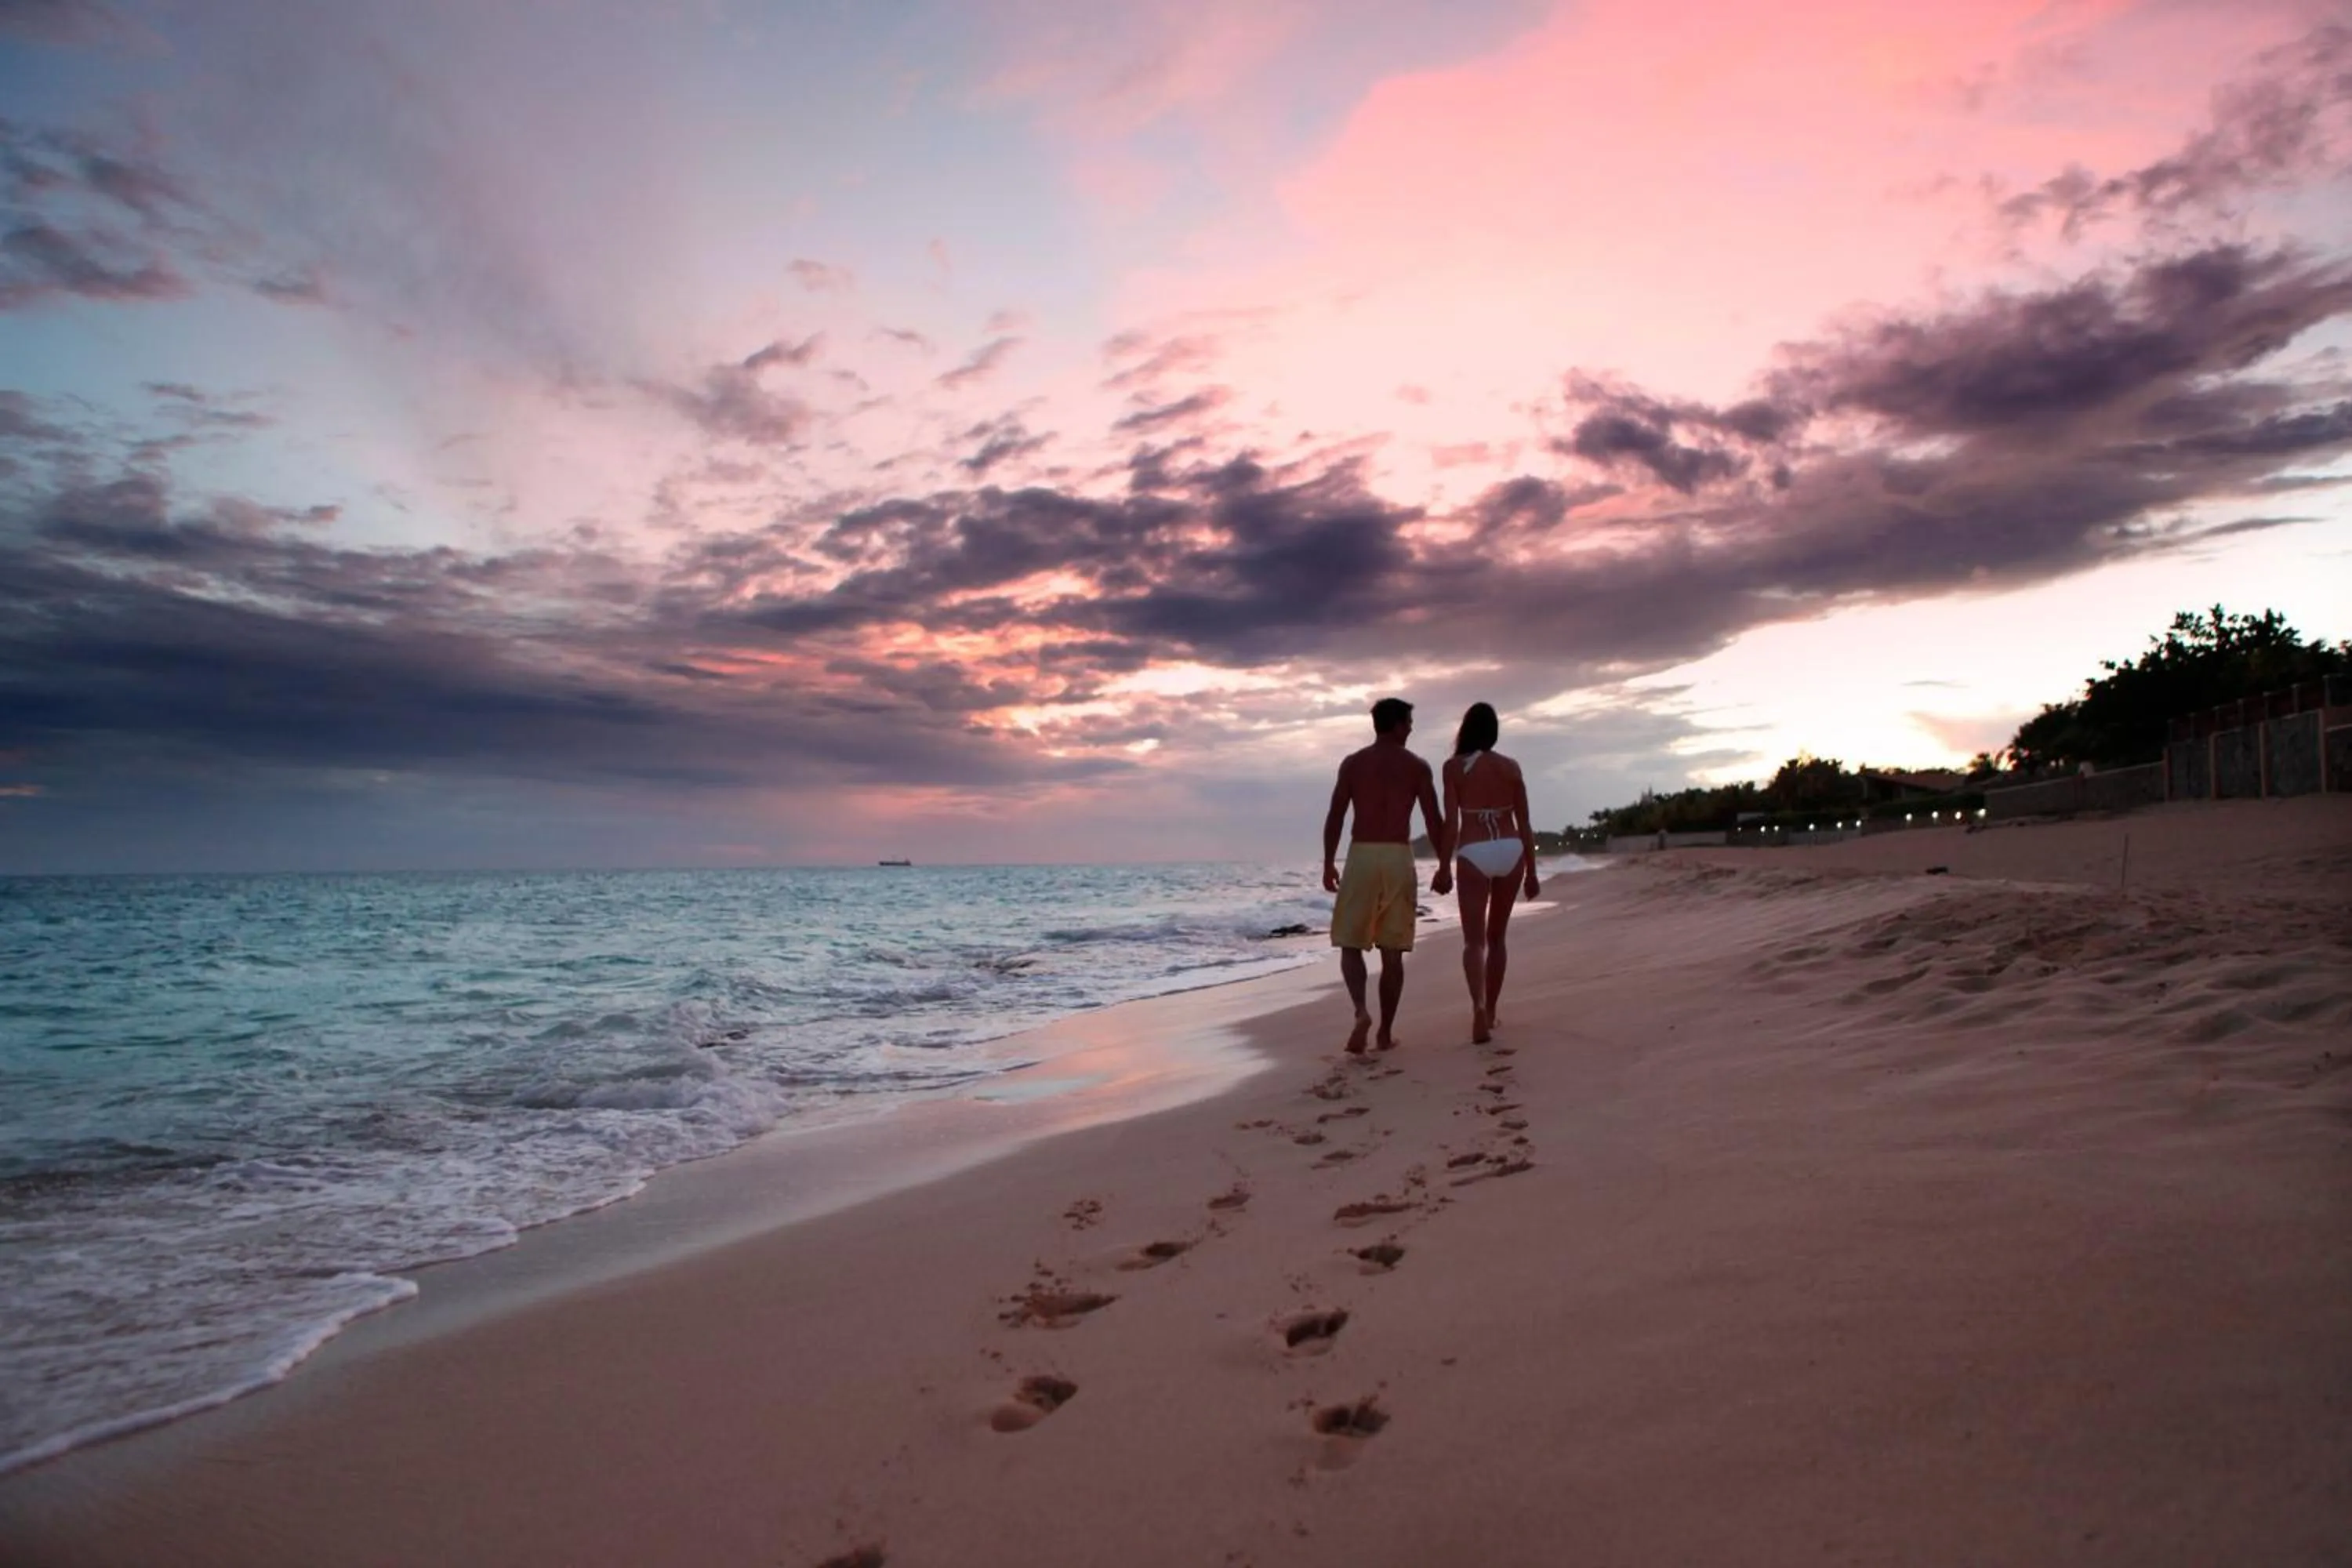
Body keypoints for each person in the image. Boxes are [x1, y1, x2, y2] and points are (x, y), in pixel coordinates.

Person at [1323, 698, 1450, 1054]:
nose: (1411, 728)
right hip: (1396, 855)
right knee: (1392, 951)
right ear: (1395, 725)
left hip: (1361, 854)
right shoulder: (1417, 767)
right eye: (1408, 722)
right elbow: (1433, 820)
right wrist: (1443, 866)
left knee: (1350, 942)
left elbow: (1335, 816)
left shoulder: (1353, 764)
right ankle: (1384, 1033)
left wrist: (1329, 861)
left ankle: (1361, 1012)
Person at [1439, 702, 1539, 1044]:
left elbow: (1452, 823)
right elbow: (1525, 823)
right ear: (1494, 732)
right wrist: (1533, 873)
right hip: (1512, 851)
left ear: (1465, 730)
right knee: (1498, 939)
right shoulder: (1511, 767)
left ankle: (1478, 1006)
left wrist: (1441, 867)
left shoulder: (1453, 769)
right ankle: (1493, 1010)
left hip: (1473, 851)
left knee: (1473, 941)